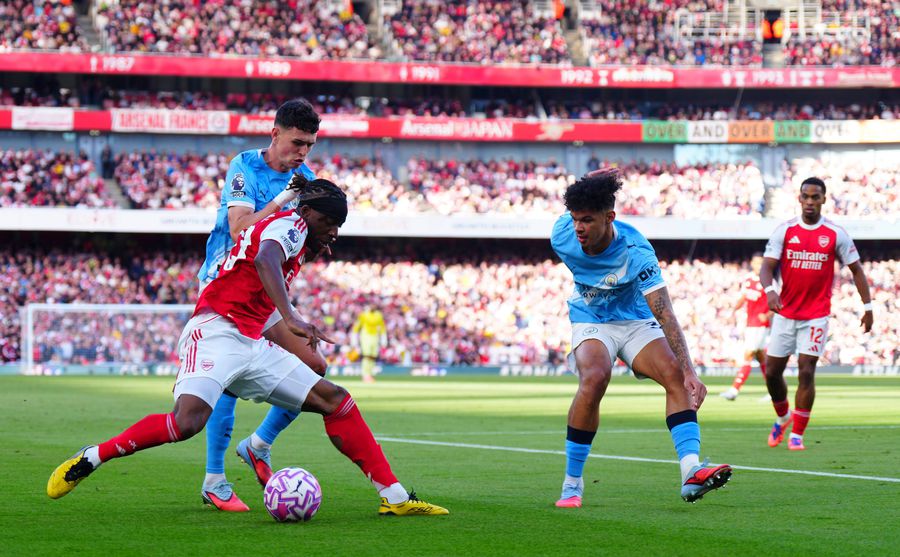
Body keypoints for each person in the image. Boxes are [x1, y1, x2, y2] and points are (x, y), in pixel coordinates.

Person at [47, 180, 449, 517]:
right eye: (328, 223)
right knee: (186, 423)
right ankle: (93, 456)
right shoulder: (289, 225)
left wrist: (305, 263)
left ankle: (394, 497)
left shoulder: (299, 230)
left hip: (252, 341)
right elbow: (266, 258)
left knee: (335, 399)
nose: (333, 233)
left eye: (338, 226)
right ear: (309, 214)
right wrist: (290, 316)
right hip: (217, 330)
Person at [550, 169, 731, 507]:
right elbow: (576, 205)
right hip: (591, 318)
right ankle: (572, 483)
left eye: (587, 220)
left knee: (675, 375)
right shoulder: (562, 233)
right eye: (575, 219)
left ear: (610, 217)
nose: (579, 228)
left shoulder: (637, 252)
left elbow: (665, 314)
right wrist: (593, 178)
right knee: (595, 376)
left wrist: (691, 371)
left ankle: (691, 473)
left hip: (635, 320)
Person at [197, 98, 326, 511]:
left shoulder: (306, 178)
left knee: (315, 367)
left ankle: (258, 444)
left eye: (309, 145)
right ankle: (214, 480)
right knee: (228, 383)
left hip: (266, 292)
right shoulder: (246, 167)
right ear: (275, 134)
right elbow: (238, 230)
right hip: (227, 285)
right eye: (296, 142)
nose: (303, 152)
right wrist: (283, 200)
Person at [760, 177, 873, 451]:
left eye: (815, 197)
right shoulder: (785, 231)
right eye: (806, 197)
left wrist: (868, 307)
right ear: (799, 199)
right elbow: (766, 267)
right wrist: (770, 290)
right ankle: (784, 416)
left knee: (806, 371)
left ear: (824, 199)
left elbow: (857, 270)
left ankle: (797, 434)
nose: (810, 201)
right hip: (786, 314)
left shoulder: (836, 234)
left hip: (816, 316)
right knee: (772, 372)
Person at [720, 253, 771, 401]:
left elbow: (777, 302)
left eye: (760, 263)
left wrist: (766, 316)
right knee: (761, 357)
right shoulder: (748, 279)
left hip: (760, 325)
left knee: (748, 355)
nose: (758, 266)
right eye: (755, 263)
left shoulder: (768, 280)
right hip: (750, 323)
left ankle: (734, 391)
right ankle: (774, 391)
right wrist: (734, 310)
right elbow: (744, 297)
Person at [351, 301, 388, 383]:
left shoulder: (379, 315)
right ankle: (365, 375)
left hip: (375, 337)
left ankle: (370, 374)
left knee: (373, 357)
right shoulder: (363, 315)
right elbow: (356, 327)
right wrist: (354, 339)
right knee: (366, 356)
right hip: (365, 337)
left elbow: (382, 327)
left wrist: (383, 339)